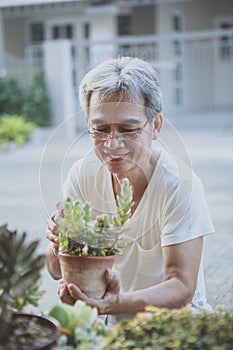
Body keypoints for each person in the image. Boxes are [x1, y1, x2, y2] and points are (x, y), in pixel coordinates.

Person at [46, 56, 214, 326]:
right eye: (100, 129)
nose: (113, 144)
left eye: (128, 129)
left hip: (177, 325)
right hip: (113, 325)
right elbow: (55, 270)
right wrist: (60, 244)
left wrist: (113, 304)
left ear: (155, 126)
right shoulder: (82, 173)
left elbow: (182, 284)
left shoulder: (181, 184)